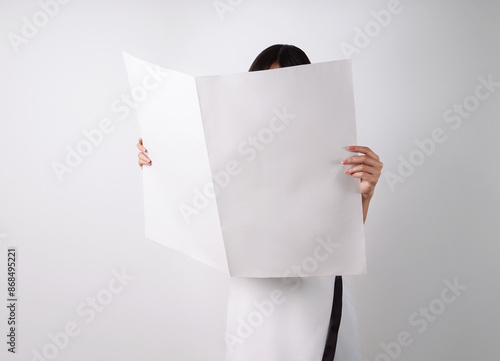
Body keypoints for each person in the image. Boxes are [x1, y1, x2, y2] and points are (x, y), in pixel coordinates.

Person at [136, 44, 382, 361]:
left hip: (315, 299)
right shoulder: (229, 152)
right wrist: (160, 160)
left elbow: (341, 240)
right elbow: (192, 205)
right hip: (252, 301)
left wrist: (365, 193)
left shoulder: (334, 152)